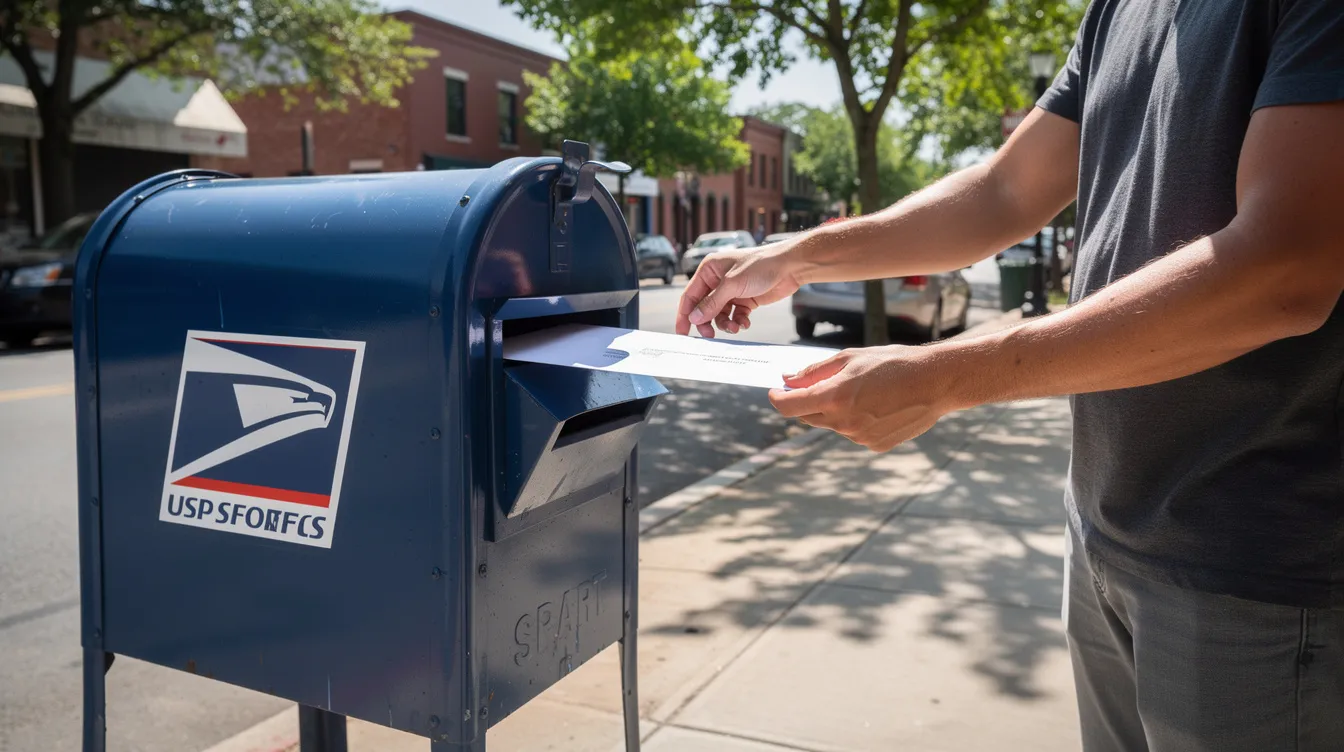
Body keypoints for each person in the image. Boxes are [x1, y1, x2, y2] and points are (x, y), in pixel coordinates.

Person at [675, 3, 1344, 750]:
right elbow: (1005, 190)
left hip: (1256, 567)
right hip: (1103, 529)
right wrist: (799, 255)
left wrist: (947, 375)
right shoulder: (1118, 9)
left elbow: (1286, 267)